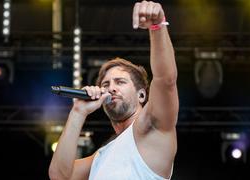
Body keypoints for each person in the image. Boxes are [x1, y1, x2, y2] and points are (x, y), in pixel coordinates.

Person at [49, 1, 178, 180]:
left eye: (120, 82)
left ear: (142, 95)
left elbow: (166, 80)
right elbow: (59, 176)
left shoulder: (151, 127)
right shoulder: (101, 156)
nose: (111, 88)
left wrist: (157, 26)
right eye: (105, 85)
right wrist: (78, 112)